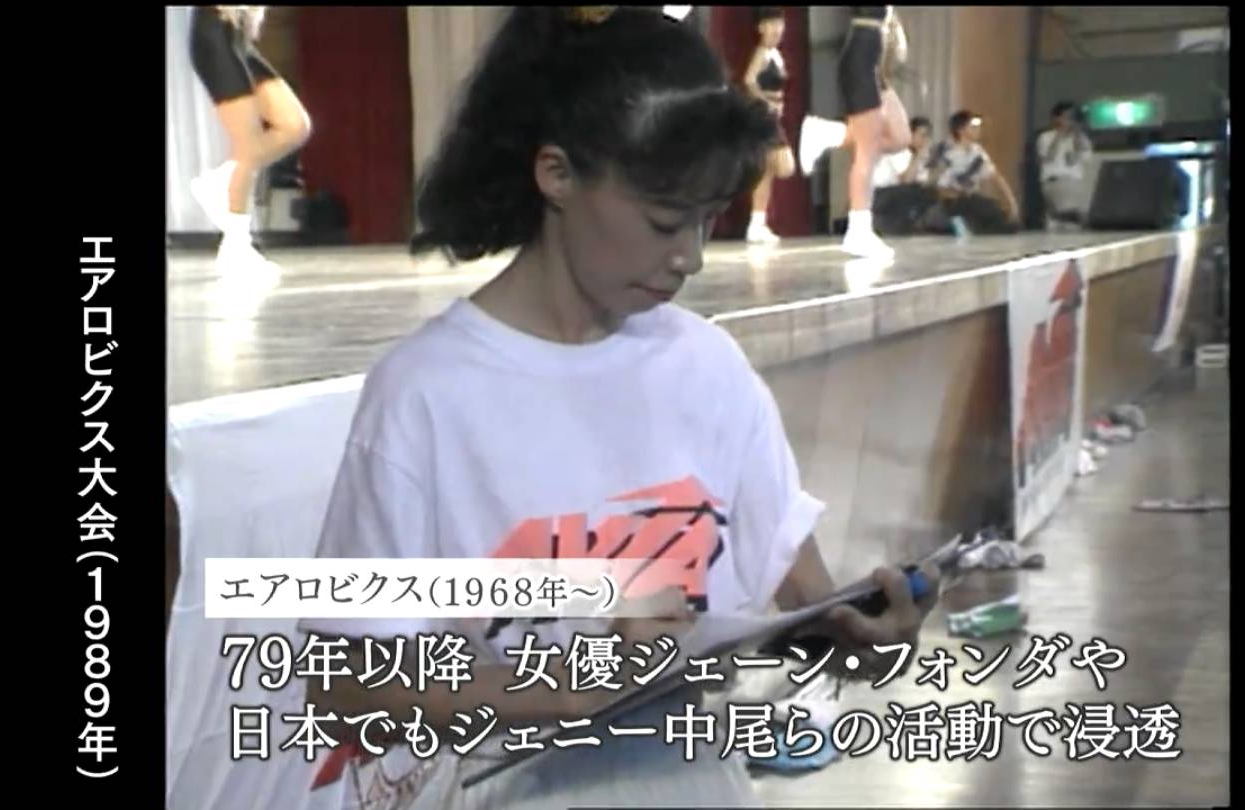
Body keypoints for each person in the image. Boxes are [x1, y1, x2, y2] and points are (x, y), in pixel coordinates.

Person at [298, 7, 940, 808]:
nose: (690, 258)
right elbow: (343, 687)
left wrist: (862, 638)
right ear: (556, 174)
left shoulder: (707, 366)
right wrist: (564, 690)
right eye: (665, 221)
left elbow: (808, 604)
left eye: (706, 221)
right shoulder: (425, 393)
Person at [188, 6, 311, 273]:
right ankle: (235, 247)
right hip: (215, 32)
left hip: (239, 40)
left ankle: (222, 178)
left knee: (294, 125)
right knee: (247, 143)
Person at [799, 6, 913, 258]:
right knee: (867, 150)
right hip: (862, 60)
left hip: (874, 63)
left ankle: (828, 133)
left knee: (900, 137)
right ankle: (858, 231)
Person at [743, 8, 796, 245]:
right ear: (760, 28)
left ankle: (757, 223)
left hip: (771, 116)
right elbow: (748, 80)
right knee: (785, 166)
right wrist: (766, 101)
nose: (777, 29)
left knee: (767, 171)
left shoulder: (775, 53)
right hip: (764, 117)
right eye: (771, 24)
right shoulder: (763, 52)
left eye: (779, 24)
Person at [929, 109, 1020, 235]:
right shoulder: (944, 151)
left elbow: (996, 177)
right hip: (950, 201)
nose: (978, 130)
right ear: (960, 130)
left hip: (971, 198)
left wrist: (1012, 203)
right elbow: (934, 181)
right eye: (973, 127)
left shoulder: (977, 152)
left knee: (1006, 222)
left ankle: (966, 226)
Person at [871, 115, 949, 235]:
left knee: (930, 193)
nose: (925, 140)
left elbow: (924, 182)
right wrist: (918, 157)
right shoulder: (898, 150)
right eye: (922, 135)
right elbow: (906, 180)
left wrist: (940, 169)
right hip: (881, 194)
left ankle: (924, 225)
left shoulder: (914, 155)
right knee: (915, 191)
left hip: (898, 193)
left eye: (928, 136)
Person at [1036, 101, 1093, 230]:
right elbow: (1048, 158)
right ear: (1056, 118)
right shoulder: (1045, 137)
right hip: (1054, 181)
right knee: (1064, 216)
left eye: (1071, 117)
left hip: (1074, 182)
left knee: (1074, 221)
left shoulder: (1080, 137)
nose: (1068, 121)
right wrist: (1059, 135)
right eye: (1065, 116)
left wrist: (1077, 133)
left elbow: (1084, 154)